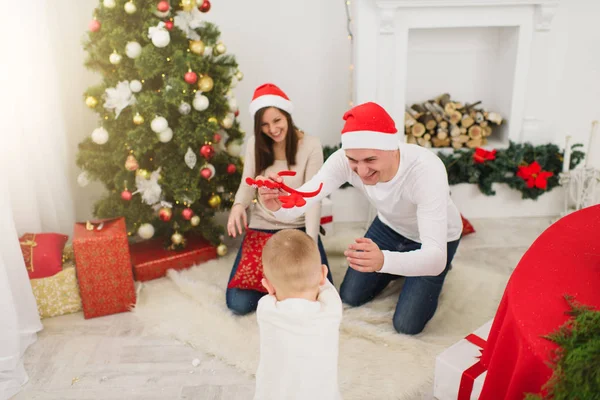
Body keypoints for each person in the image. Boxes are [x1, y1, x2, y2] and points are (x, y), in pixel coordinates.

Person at [256, 102, 463, 334]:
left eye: (370, 160)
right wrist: (276, 204)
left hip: (437, 240)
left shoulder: (426, 170)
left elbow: (434, 258)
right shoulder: (344, 160)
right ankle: (403, 264)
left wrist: (384, 261)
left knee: (407, 325)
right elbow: (303, 199)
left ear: (393, 150)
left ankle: (415, 265)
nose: (361, 171)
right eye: (354, 161)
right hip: (388, 227)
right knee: (350, 296)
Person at [225, 83, 331, 315]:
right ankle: (283, 288)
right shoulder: (255, 144)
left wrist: (311, 243)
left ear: (287, 116)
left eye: (277, 121)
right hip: (263, 227)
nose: (272, 129)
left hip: (299, 228)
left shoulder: (311, 145)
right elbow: (247, 182)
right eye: (264, 124)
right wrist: (238, 206)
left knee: (323, 295)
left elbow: (314, 199)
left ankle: (281, 287)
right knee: (238, 303)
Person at [254, 229, 342, 400]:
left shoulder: (266, 311)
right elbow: (325, 286)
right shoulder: (332, 309)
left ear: (268, 287)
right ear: (322, 274)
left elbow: (269, 295)